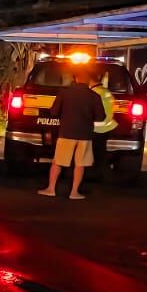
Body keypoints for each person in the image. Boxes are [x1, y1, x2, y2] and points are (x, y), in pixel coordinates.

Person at [40, 66, 106, 200]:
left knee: (57, 162)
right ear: (88, 81)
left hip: (66, 133)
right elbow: (101, 117)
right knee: (80, 164)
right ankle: (74, 192)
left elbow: (54, 112)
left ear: (75, 79)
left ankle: (51, 188)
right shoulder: (94, 96)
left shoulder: (65, 93)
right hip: (85, 135)